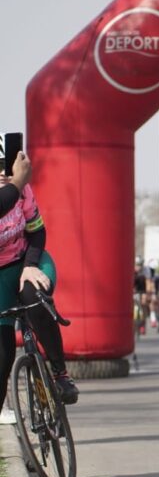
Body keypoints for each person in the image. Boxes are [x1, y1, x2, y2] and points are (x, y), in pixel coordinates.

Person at [0, 150, 79, 423]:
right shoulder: (15, 186)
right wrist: (16, 182)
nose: (3, 172)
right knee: (3, 356)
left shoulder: (21, 190)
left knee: (34, 299)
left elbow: (37, 231)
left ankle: (60, 374)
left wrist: (30, 265)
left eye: (5, 165)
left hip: (28, 261)